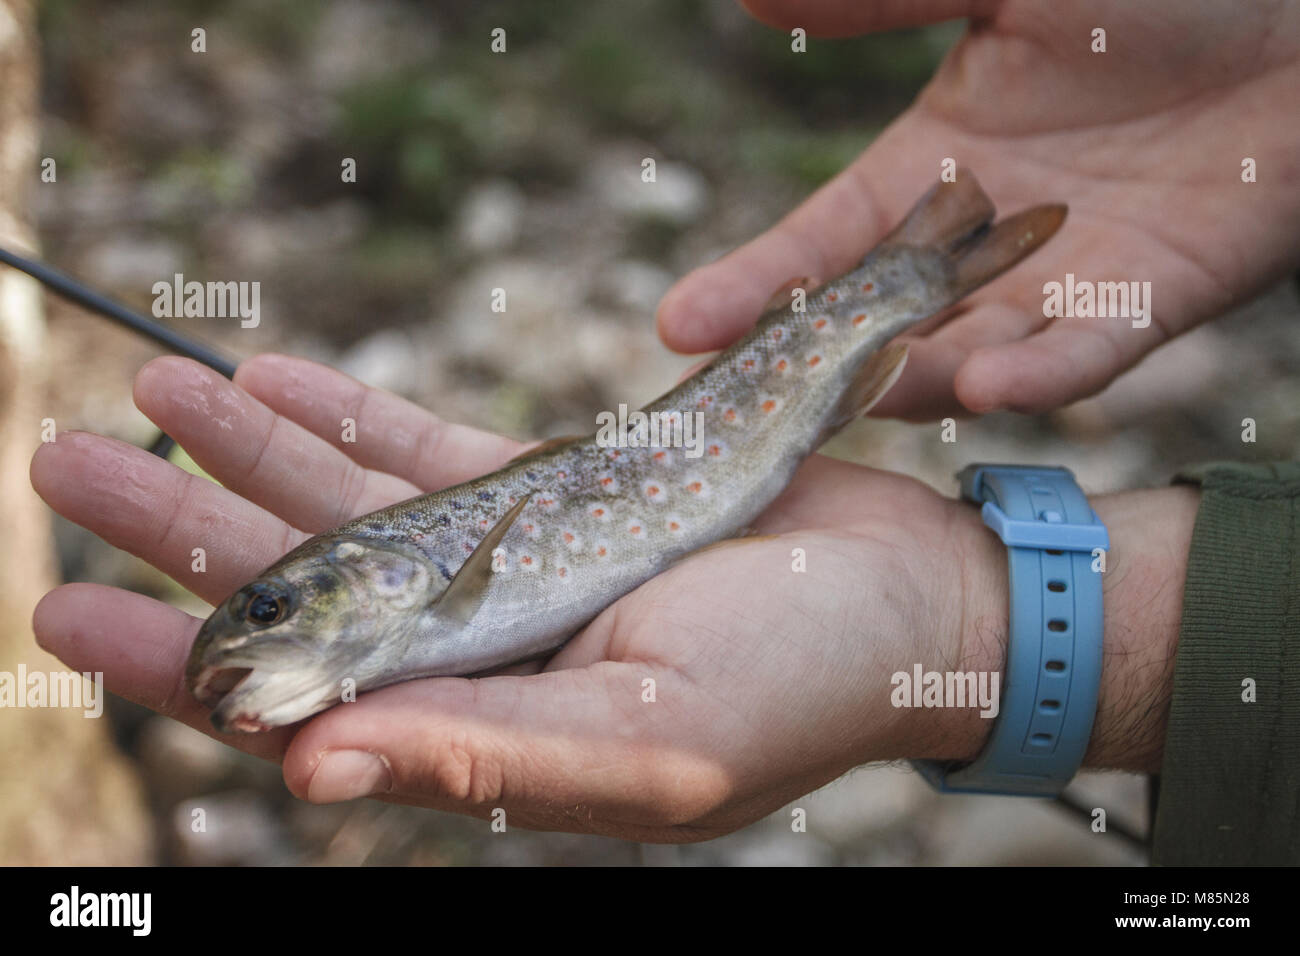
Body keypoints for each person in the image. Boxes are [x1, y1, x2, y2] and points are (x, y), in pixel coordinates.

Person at [28, 1, 1300, 859]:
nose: (254, 633)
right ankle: (904, 277)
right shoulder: (400, 617)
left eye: (269, 611)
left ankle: (905, 277)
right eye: (260, 617)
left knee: (799, 357)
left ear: (373, 577)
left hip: (725, 429)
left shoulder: (423, 592)